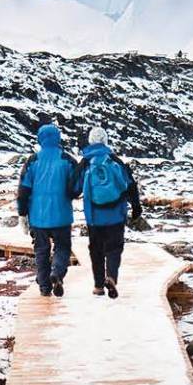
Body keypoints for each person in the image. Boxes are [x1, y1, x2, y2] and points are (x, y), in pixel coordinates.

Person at [74, 127, 142, 299]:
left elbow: (73, 188)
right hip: (116, 215)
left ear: (90, 141)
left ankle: (98, 286)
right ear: (105, 141)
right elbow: (130, 185)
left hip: (94, 217)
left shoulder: (85, 163)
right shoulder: (115, 161)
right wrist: (136, 207)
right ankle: (111, 276)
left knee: (96, 250)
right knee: (114, 249)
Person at [16, 123, 77, 297]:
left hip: (38, 216)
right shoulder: (67, 159)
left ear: (40, 139)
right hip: (62, 215)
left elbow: (23, 190)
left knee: (41, 251)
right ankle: (57, 273)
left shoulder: (33, 160)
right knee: (63, 248)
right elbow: (77, 186)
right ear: (58, 138)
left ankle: (44, 288)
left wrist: (22, 214)